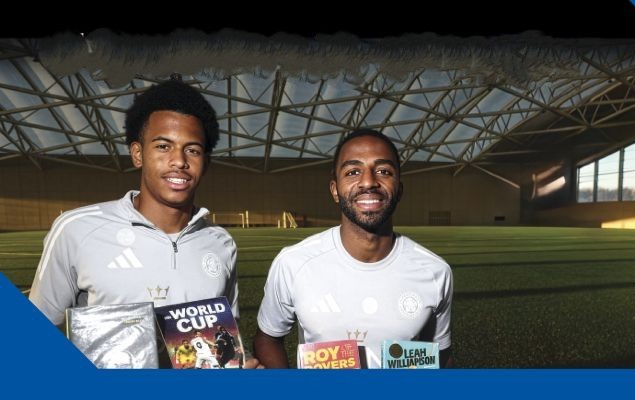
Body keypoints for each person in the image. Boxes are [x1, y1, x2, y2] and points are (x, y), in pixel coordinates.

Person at [25, 78, 258, 368]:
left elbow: (225, 335)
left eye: (193, 150)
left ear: (205, 163)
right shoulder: (76, 229)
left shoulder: (220, 242)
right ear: (138, 154)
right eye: (163, 146)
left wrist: (239, 366)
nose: (179, 161)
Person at [254, 129, 454, 369]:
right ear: (335, 190)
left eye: (383, 171)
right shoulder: (293, 263)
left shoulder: (435, 271)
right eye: (353, 172)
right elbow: (267, 338)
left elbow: (440, 353)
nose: (369, 182)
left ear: (399, 189)